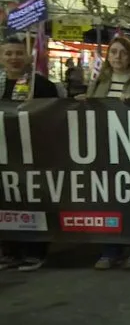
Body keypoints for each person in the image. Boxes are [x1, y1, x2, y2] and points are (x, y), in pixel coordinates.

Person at [75, 37, 130, 269]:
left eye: (123, 52)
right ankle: (110, 249)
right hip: (105, 147)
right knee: (108, 200)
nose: (117, 57)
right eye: (113, 52)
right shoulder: (100, 81)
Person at [0, 38, 59, 272]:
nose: (13, 58)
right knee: (5, 201)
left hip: (34, 153)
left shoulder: (42, 85)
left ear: (26, 57)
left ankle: (35, 252)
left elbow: (55, 114)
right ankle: (9, 251)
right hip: (4, 154)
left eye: (18, 53)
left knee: (34, 201)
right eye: (8, 54)